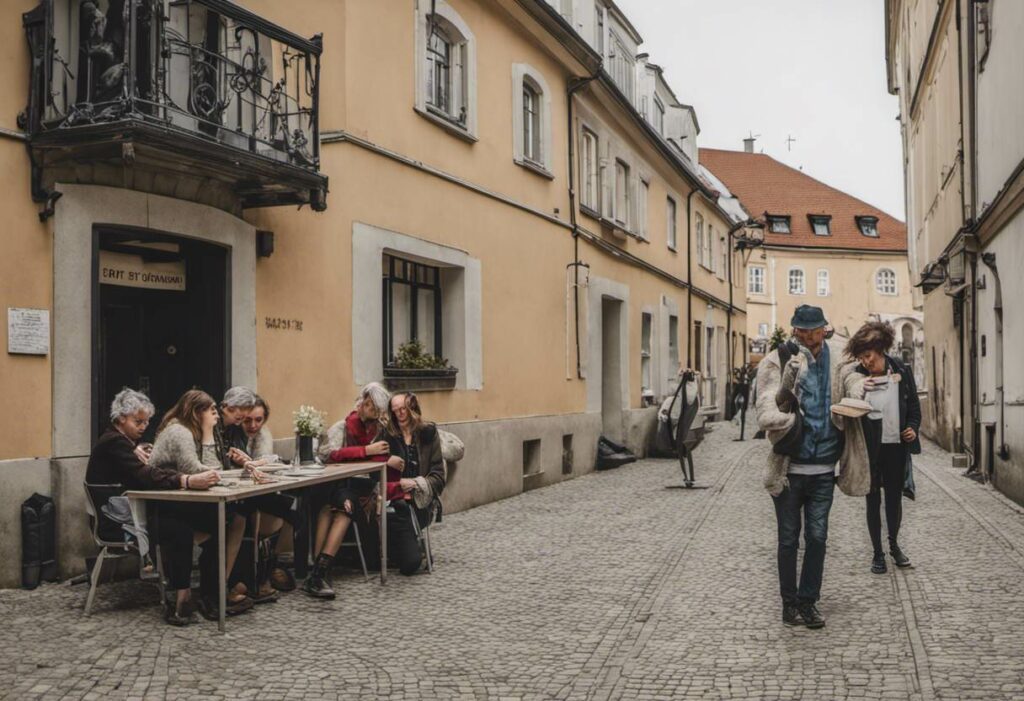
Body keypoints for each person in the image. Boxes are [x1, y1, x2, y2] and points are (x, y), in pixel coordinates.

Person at [755, 305, 868, 629]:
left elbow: (851, 379)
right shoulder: (778, 358)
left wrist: (859, 393)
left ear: (824, 329)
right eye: (803, 332)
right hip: (789, 470)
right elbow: (767, 403)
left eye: (815, 332)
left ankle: (809, 602)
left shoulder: (838, 357)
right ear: (794, 330)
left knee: (817, 538)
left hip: (822, 469)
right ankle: (789, 604)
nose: (810, 338)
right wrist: (784, 410)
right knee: (789, 540)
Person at [85, 389, 221, 626]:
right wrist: (184, 480)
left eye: (147, 421)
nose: (143, 426)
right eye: (138, 421)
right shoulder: (114, 443)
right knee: (180, 526)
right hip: (119, 523)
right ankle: (185, 598)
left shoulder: (121, 441)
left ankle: (200, 593)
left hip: (129, 513)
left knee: (196, 520)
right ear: (120, 418)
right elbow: (142, 476)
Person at [148, 389, 253, 618]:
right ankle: (205, 596)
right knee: (222, 519)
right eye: (211, 410)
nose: (215, 415)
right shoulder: (178, 431)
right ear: (197, 412)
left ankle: (214, 593)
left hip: (182, 502)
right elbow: (199, 470)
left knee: (235, 515)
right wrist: (208, 433)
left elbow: (212, 472)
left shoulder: (188, 429)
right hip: (163, 507)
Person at [303, 382, 392, 598]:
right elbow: (329, 455)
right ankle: (318, 572)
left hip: (364, 491)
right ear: (361, 403)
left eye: (378, 410)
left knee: (336, 507)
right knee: (337, 506)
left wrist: (369, 451)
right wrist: (364, 451)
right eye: (370, 407)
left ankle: (316, 571)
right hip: (338, 485)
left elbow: (383, 457)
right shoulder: (341, 428)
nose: (374, 415)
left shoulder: (379, 429)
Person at [846, 321, 921, 574]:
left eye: (868, 356)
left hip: (895, 446)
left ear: (880, 350)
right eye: (862, 357)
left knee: (893, 499)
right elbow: (846, 403)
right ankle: (877, 553)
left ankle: (894, 545)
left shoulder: (900, 368)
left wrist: (912, 427)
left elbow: (913, 407)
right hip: (868, 448)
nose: (866, 361)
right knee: (872, 500)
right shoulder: (856, 374)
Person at [384, 392, 445, 576]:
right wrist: (387, 461)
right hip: (393, 501)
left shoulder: (428, 433)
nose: (400, 415)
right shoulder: (387, 435)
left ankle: (410, 550)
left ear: (413, 410)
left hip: (419, 502)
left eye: (403, 409)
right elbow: (373, 466)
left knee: (409, 565)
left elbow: (439, 477)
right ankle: (411, 548)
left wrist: (416, 483)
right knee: (396, 511)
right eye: (395, 411)